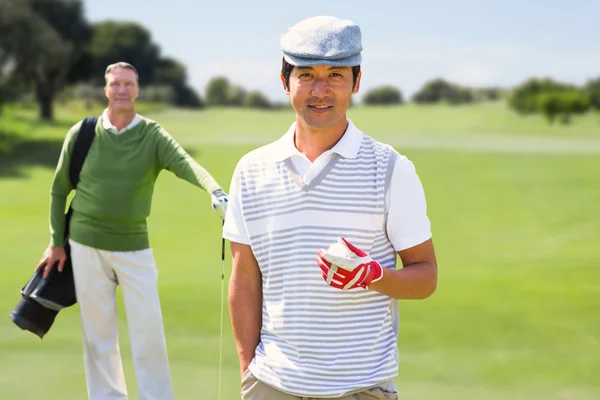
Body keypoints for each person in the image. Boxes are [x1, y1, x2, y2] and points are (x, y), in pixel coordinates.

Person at [224, 16, 438, 400]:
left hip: (360, 390)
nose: (319, 90)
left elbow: (426, 276)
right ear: (284, 80)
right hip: (270, 385)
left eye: (335, 75)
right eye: (305, 74)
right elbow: (244, 278)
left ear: (356, 82)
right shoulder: (251, 170)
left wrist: (373, 275)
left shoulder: (392, 169)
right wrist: (249, 374)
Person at [35, 62, 229, 400]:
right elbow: (57, 190)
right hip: (84, 244)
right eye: (115, 84)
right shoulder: (82, 132)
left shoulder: (152, 134)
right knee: (98, 335)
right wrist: (56, 243)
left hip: (133, 247)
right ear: (106, 89)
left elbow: (186, 163)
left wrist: (215, 191)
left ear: (137, 89)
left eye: (128, 84)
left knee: (148, 333)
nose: (122, 90)